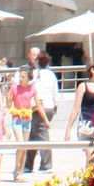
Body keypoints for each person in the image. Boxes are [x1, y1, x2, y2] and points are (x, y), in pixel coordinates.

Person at [24, 45, 58, 174]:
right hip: (50, 106)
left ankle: (46, 164)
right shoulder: (52, 75)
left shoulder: (35, 74)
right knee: (33, 135)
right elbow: (55, 92)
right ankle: (28, 164)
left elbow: (31, 88)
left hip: (38, 107)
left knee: (42, 136)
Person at [64, 59, 94, 146]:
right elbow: (76, 109)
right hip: (87, 126)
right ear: (92, 70)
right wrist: (68, 130)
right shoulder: (83, 86)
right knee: (91, 157)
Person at [7, 65, 37, 178]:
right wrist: (8, 98)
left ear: (29, 78)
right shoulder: (15, 88)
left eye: (23, 77)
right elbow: (9, 105)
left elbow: (37, 103)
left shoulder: (32, 89)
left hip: (27, 119)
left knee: (24, 146)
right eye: (20, 77)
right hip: (17, 118)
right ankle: (16, 169)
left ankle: (20, 171)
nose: (21, 79)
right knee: (20, 143)